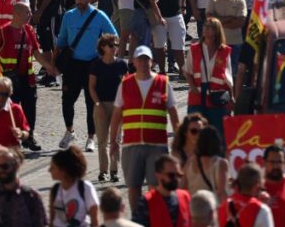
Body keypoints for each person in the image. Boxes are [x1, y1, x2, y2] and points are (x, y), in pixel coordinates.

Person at [109, 47, 180, 210]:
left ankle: (155, 217)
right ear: (133, 62)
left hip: (157, 145)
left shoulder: (163, 83)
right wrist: (113, 141)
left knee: (155, 187)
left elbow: (174, 114)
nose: (143, 63)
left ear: (152, 62)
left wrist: (178, 140)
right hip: (131, 144)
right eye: (139, 59)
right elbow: (116, 116)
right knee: (133, 187)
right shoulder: (125, 84)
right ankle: (137, 217)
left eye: (146, 59)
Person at [55, 0, 118, 151]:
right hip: (72, 65)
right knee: (67, 100)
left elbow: (114, 37)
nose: (79, 1)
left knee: (91, 102)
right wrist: (54, 64)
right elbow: (61, 41)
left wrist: (105, 53)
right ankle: (69, 131)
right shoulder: (68, 16)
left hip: (92, 64)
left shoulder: (99, 15)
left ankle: (91, 138)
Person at [0, 2, 57, 152]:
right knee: (10, 111)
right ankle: (10, 140)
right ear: (17, 14)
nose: (30, 15)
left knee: (30, 109)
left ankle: (29, 138)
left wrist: (48, 67)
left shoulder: (29, 30)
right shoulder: (3, 32)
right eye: (27, 12)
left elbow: (36, 53)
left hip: (28, 78)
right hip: (9, 80)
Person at [185, 16, 234, 146]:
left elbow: (228, 76)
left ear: (217, 31)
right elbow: (187, 71)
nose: (206, 29)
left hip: (217, 97)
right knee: (195, 135)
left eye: (210, 27)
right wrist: (192, 87)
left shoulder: (224, 51)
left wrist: (232, 97)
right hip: (197, 96)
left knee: (217, 135)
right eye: (205, 26)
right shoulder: (194, 49)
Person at [133, 155, 191, 227]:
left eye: (179, 175)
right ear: (158, 175)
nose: (176, 179)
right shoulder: (146, 201)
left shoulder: (186, 197)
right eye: (171, 175)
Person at [88, 34, 127, 182]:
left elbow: (127, 85)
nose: (114, 48)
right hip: (101, 104)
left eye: (116, 45)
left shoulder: (121, 64)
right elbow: (91, 87)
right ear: (103, 47)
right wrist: (98, 105)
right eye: (111, 45)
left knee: (116, 140)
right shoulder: (96, 64)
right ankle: (103, 171)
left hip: (118, 106)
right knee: (102, 140)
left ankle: (114, 171)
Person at [182, 125, 230, 205]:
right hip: (212, 208)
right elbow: (222, 193)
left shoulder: (189, 163)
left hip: (193, 208)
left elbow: (182, 188)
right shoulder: (221, 163)